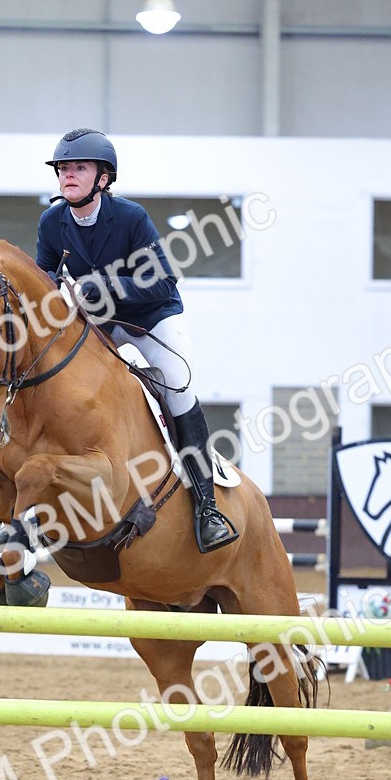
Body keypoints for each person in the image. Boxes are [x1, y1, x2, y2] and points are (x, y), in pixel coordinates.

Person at [35, 127, 238, 552]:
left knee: (179, 390)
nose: (68, 176)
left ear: (103, 179)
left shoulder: (130, 217)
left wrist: (98, 286)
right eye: (64, 169)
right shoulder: (52, 222)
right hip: (100, 324)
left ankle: (207, 508)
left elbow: (163, 281)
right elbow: (45, 279)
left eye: (79, 168)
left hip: (152, 319)